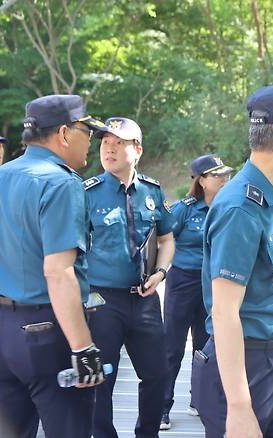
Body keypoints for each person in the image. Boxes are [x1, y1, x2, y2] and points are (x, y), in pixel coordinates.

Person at [191, 85, 273, 438]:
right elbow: (225, 311)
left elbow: (269, 288)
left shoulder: (272, 197)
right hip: (246, 369)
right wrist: (239, 408)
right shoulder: (241, 207)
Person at [0, 94, 107, 438]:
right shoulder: (60, 182)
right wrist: (84, 349)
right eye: (86, 131)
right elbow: (58, 272)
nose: (90, 140)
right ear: (64, 133)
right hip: (46, 333)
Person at [84, 117, 175, 438]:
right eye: (105, 143)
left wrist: (161, 272)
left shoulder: (152, 191)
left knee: (156, 375)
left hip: (145, 299)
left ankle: (147, 433)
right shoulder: (87, 193)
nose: (108, 149)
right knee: (101, 377)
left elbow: (167, 238)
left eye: (118, 143)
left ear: (137, 150)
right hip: (102, 300)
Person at [160, 154, 233, 430]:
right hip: (183, 282)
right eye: (217, 175)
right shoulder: (183, 209)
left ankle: (200, 401)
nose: (224, 179)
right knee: (172, 346)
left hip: (214, 283)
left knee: (207, 345)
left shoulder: (229, 206)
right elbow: (164, 239)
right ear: (202, 180)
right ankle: (163, 407)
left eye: (226, 174)